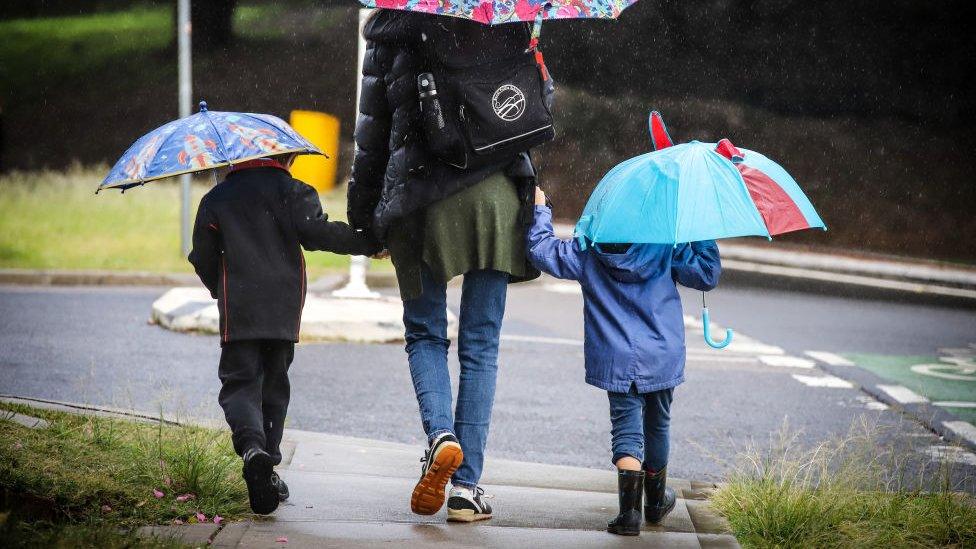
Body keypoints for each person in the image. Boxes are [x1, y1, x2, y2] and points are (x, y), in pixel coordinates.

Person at [347, 10, 548, 522]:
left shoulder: (395, 30)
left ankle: (440, 435)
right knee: (481, 345)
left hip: (418, 199)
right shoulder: (504, 18)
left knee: (426, 334)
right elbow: (535, 109)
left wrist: (364, 222)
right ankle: (467, 487)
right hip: (495, 196)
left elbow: (372, 137)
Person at [189, 153, 380, 514]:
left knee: (240, 382)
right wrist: (369, 243)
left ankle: (252, 449)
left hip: (240, 309)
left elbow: (202, 256)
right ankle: (269, 464)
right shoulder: (294, 191)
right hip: (283, 308)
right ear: (286, 156)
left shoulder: (217, 198)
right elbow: (320, 233)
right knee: (274, 384)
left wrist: (222, 288)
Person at [525, 187, 721, 536]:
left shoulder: (587, 253)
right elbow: (706, 274)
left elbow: (542, 250)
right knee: (658, 424)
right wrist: (698, 229)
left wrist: (541, 211)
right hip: (661, 354)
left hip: (615, 356)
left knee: (627, 431)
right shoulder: (663, 248)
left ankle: (629, 515)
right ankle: (657, 502)